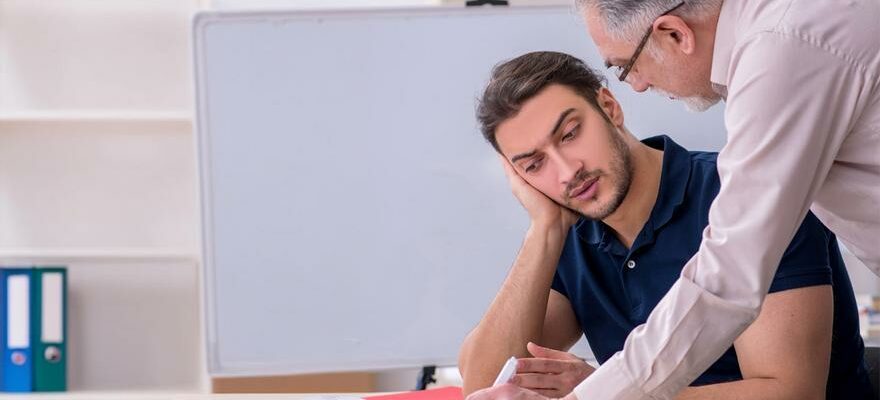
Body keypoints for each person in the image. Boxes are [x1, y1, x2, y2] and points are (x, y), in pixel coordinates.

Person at [469, 1, 880, 398]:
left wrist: (596, 392)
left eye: (570, 133)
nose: (566, 171)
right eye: (533, 164)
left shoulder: (736, 185)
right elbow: (485, 385)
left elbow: (787, 386)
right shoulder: (575, 236)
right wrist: (544, 230)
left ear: (609, 107)